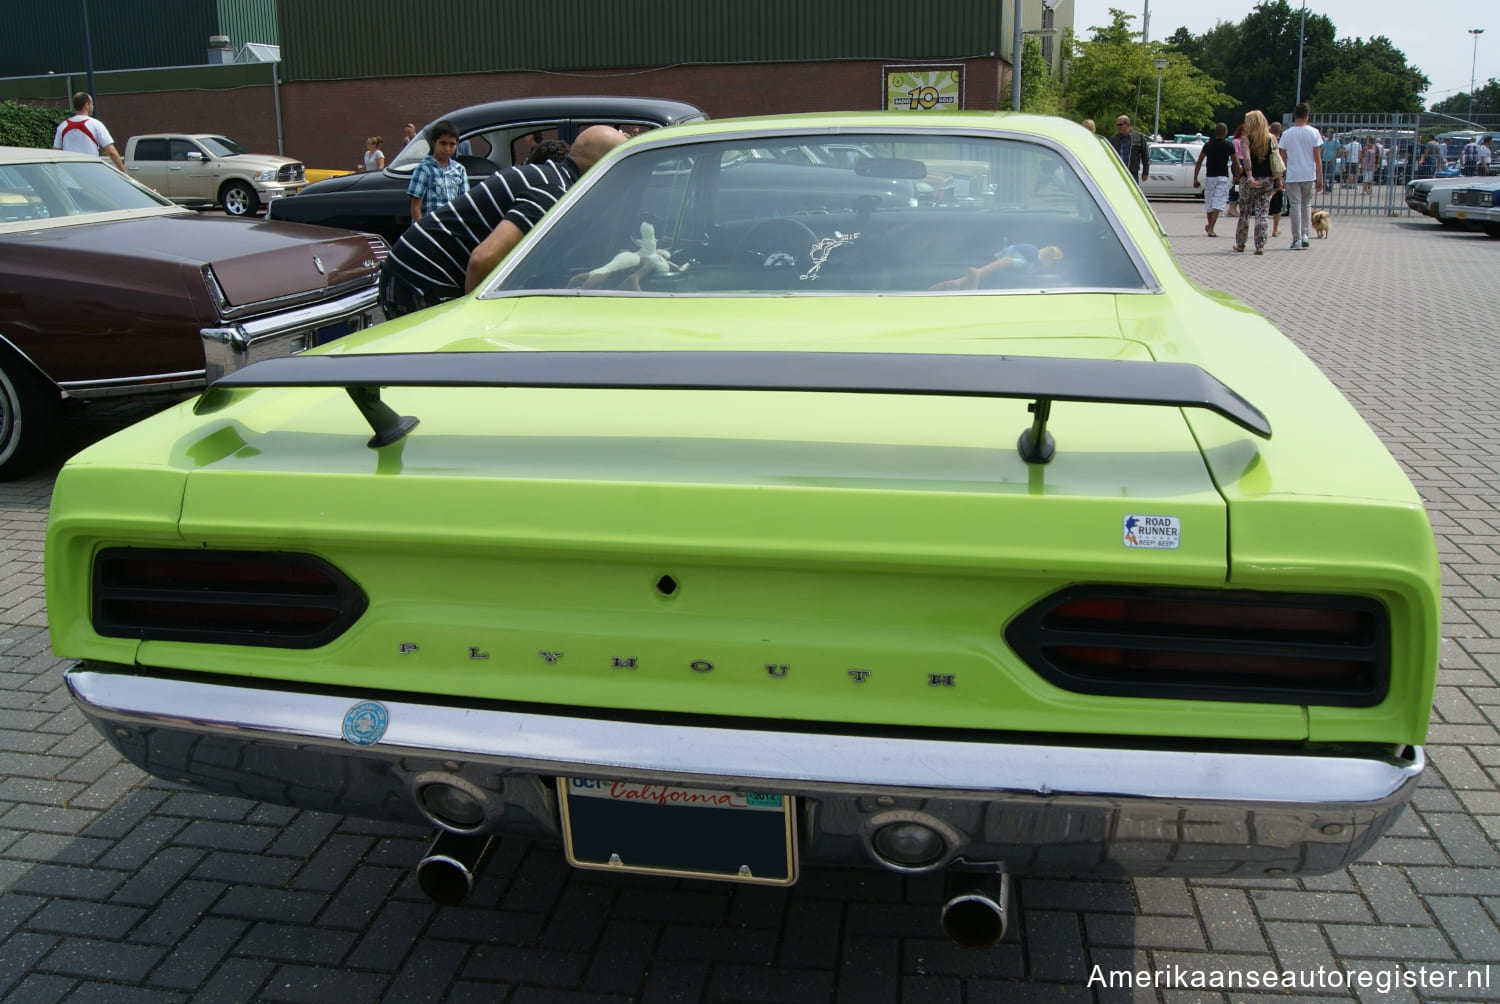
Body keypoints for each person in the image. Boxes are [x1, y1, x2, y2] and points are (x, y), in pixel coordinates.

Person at [379, 125, 628, 318]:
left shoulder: (550, 176)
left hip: (422, 272)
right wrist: (476, 329)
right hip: (418, 281)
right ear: (603, 169)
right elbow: (483, 259)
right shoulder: (553, 192)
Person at [1233, 110, 1281, 256]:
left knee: (1245, 213)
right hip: (1267, 179)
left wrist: (1249, 177)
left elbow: (1246, 159)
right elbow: (1276, 159)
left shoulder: (1246, 139)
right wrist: (1279, 178)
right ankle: (1260, 245)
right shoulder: (1272, 138)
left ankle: (1241, 243)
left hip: (1250, 180)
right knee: (1262, 212)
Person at [1279, 102, 1324, 251]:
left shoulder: (1287, 134)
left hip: (1293, 174)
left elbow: (1282, 158)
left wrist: (1280, 176)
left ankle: (1296, 238)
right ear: (1307, 115)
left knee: (1295, 206)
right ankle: (1305, 235)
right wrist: (1320, 177)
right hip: (1308, 174)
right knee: (1306, 204)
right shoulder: (1314, 132)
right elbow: (1317, 157)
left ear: (1294, 115)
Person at [928, 244, 1063, 291]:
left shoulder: (1032, 260)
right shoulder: (1029, 263)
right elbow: (1007, 261)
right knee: (1005, 262)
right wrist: (979, 273)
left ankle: (961, 282)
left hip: (1001, 269)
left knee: (957, 283)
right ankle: (968, 279)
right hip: (999, 278)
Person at [406, 119, 466, 223]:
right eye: (443, 143)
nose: (447, 148)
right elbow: (415, 207)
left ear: (457, 144)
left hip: (452, 228)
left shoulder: (459, 170)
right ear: (434, 142)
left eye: (452, 144)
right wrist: (422, 231)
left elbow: (464, 204)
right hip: (430, 228)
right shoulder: (424, 169)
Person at [52, 91, 125, 172]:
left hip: (70, 174)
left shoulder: (62, 126)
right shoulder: (96, 124)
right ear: (86, 105)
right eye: (91, 104)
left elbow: (56, 153)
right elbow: (111, 152)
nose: (92, 106)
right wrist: (125, 174)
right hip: (91, 173)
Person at [1192, 122, 1235, 237]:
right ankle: (1211, 227)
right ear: (1225, 133)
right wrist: (1238, 176)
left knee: (1210, 202)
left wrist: (1195, 178)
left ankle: (1210, 226)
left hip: (1210, 176)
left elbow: (1199, 161)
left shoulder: (1208, 145)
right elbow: (1235, 162)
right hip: (1222, 177)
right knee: (1218, 202)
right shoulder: (1229, 146)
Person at [1109, 114, 1149, 185]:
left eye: (1120, 125)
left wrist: (1145, 172)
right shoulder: (1113, 139)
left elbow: (1145, 155)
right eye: (1117, 125)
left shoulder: (1139, 137)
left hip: (1132, 171)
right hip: (1118, 171)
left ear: (1127, 124)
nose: (1118, 127)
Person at [1267, 121, 1286, 237]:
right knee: (1277, 203)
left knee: (1264, 202)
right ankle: (1275, 228)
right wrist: (1281, 177)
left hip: (1264, 175)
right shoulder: (1278, 142)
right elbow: (1279, 160)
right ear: (1280, 131)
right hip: (1275, 175)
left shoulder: (1265, 140)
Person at [1227, 122, 1248, 217]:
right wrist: (1238, 167)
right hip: (1238, 162)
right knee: (1236, 186)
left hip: (1244, 162)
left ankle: (1235, 208)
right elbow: (1234, 155)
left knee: (1242, 186)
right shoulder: (1236, 141)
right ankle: (1232, 208)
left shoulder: (1246, 140)